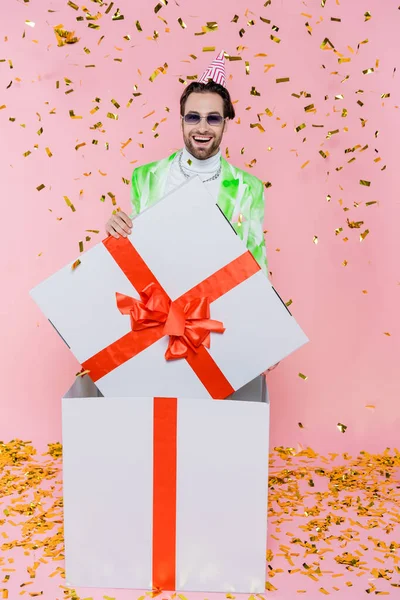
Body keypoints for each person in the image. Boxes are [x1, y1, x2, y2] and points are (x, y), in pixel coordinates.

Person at [105, 51, 279, 372]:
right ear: (182, 118)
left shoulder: (248, 188)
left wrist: (268, 331)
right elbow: (137, 250)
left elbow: (256, 261)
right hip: (156, 319)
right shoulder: (146, 177)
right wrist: (117, 230)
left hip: (213, 320)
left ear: (226, 122)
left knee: (206, 414)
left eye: (213, 118)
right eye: (193, 117)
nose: (202, 127)